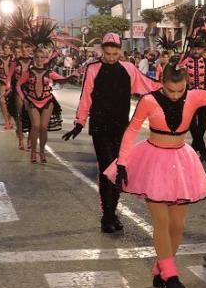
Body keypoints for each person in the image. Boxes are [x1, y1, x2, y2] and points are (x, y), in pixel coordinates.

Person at [105, 63, 206, 288]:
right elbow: (131, 131)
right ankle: (171, 276)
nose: (175, 95)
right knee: (161, 221)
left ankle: (161, 268)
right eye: (170, 90)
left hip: (180, 162)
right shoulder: (148, 100)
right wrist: (122, 163)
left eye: (179, 90)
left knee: (177, 225)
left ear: (186, 84)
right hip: (153, 161)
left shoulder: (195, 96)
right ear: (162, 82)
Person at [63, 33, 162, 233]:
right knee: (106, 170)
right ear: (101, 50)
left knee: (117, 172)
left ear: (120, 52)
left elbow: (148, 86)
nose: (110, 57)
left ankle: (111, 213)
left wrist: (169, 87)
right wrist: (79, 122)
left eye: (114, 53)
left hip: (121, 128)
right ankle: (107, 216)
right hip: (100, 127)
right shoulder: (92, 69)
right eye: (107, 53)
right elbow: (86, 97)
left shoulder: (129, 69)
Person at [18, 47, 73, 164]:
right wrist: (24, 99)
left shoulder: (49, 72)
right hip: (32, 101)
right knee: (36, 126)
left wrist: (75, 73)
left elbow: (63, 79)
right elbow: (18, 86)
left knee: (43, 127)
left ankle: (41, 152)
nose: (39, 60)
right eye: (37, 57)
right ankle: (33, 152)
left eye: (42, 57)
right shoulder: (28, 72)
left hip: (47, 101)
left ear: (45, 59)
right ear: (33, 59)